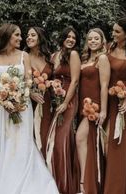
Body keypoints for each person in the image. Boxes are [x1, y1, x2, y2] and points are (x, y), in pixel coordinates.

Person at [0, 23, 59, 194]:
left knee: (22, 143)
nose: (20, 38)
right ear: (7, 36)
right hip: (3, 108)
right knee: (4, 143)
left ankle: (27, 181)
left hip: (22, 106)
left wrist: (19, 97)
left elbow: (28, 80)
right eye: (17, 35)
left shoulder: (24, 55)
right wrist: (3, 97)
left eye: (20, 35)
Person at [104, 17, 126, 194]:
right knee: (104, 140)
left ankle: (117, 187)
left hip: (122, 100)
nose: (114, 33)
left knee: (117, 142)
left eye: (117, 31)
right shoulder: (109, 47)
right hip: (105, 98)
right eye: (113, 30)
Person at [47, 26, 81, 193]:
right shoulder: (54, 56)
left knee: (60, 141)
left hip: (68, 101)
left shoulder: (74, 55)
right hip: (56, 100)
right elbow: (51, 78)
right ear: (62, 38)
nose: (71, 39)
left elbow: (75, 81)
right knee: (54, 140)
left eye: (74, 38)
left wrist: (65, 102)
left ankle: (65, 185)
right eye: (68, 36)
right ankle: (54, 180)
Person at [76, 28, 110, 193]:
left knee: (80, 138)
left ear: (102, 40)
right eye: (90, 39)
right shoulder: (85, 59)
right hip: (82, 106)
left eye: (96, 38)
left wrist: (103, 111)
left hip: (94, 106)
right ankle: (89, 183)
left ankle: (84, 184)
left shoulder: (102, 58)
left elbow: (104, 85)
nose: (93, 41)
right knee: (87, 142)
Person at [25, 26, 53, 159]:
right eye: (28, 35)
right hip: (27, 103)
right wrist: (30, 93)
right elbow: (18, 82)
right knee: (29, 135)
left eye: (32, 35)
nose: (28, 37)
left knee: (45, 133)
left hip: (45, 102)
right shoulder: (23, 58)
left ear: (40, 38)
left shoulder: (49, 58)